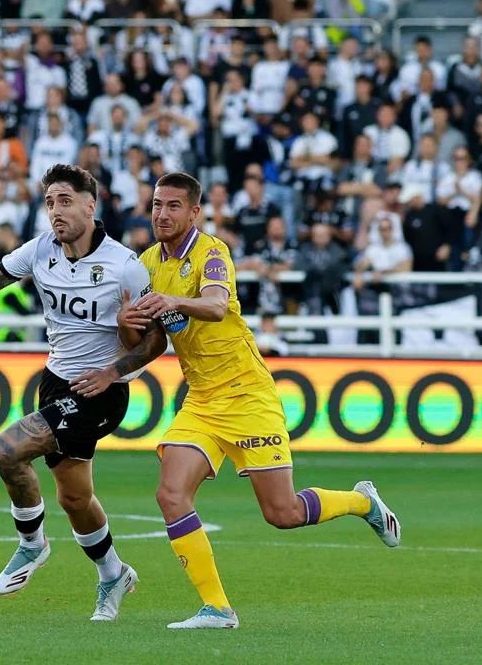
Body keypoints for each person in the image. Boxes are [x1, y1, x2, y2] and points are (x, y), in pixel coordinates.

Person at [107, 172, 400, 630]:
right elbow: (153, 341)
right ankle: (217, 609)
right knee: (170, 494)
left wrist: (171, 300)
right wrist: (128, 322)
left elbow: (216, 306)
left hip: (247, 394)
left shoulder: (212, 252)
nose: (162, 214)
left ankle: (363, 503)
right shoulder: (145, 262)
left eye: (173, 206)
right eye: (157, 205)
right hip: (201, 398)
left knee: (281, 514)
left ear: (194, 212)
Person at [0, 164, 160, 621]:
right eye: (49, 202)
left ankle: (31, 545)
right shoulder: (41, 249)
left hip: (101, 390)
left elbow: (156, 340)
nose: (55, 211)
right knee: (74, 498)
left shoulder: (126, 265)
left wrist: (113, 371)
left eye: (65, 200)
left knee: (8, 450)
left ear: (91, 204)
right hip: (56, 382)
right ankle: (113, 574)